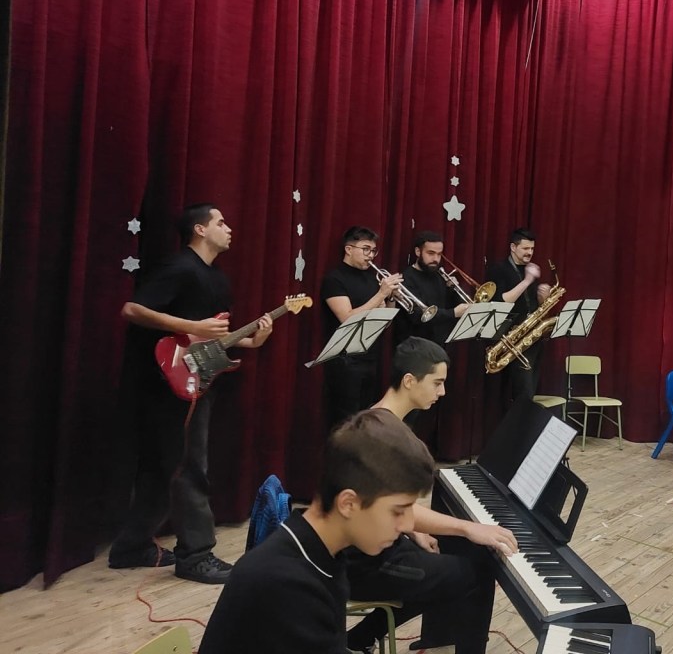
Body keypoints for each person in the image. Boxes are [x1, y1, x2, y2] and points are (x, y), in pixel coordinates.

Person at [109, 204, 274, 584]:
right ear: (200, 229)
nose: (229, 228)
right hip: (165, 384)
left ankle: (132, 546)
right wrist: (190, 324)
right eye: (221, 222)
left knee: (162, 467)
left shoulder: (217, 279)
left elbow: (209, 338)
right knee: (190, 466)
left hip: (196, 380)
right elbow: (132, 309)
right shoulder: (180, 267)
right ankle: (195, 556)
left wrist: (252, 341)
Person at [198, 409, 436, 654]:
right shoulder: (289, 585)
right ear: (348, 504)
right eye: (398, 511)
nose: (407, 525)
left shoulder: (321, 553)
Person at [346, 337, 516, 654]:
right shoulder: (382, 434)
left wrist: (416, 531)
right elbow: (395, 509)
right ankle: (359, 639)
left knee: (445, 561)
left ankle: (357, 640)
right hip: (364, 563)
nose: (443, 392)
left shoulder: (378, 418)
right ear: (410, 381)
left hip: (373, 546)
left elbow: (387, 500)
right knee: (476, 574)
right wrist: (468, 527)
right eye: (437, 383)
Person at [320, 226, 403, 433]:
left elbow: (384, 322)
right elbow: (347, 318)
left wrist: (392, 299)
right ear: (349, 249)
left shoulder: (373, 278)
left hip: (371, 357)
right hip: (344, 360)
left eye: (373, 250)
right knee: (345, 422)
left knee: (366, 420)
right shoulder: (335, 279)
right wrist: (381, 294)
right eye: (366, 249)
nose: (371, 255)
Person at [485, 227, 552, 405]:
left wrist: (543, 298)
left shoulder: (529, 269)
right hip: (511, 339)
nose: (530, 252)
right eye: (525, 248)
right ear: (513, 247)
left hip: (532, 339)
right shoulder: (499, 269)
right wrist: (527, 281)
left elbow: (533, 305)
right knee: (523, 394)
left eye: (532, 248)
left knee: (530, 391)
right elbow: (502, 301)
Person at [393, 230, 469, 347]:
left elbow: (447, 305)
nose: (436, 259)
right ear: (418, 251)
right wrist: (453, 313)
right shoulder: (406, 278)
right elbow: (418, 315)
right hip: (414, 347)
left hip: (439, 345)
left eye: (439, 254)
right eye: (431, 253)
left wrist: (453, 289)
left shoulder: (439, 275)